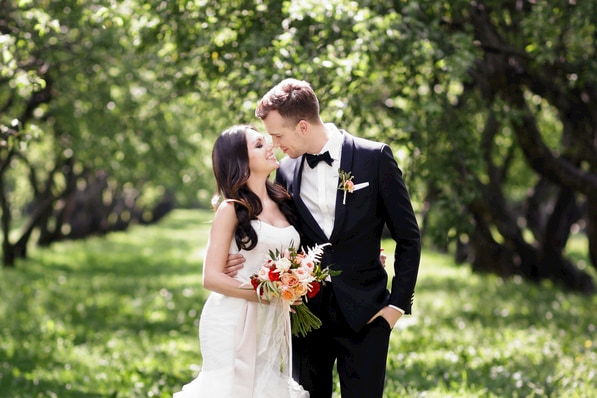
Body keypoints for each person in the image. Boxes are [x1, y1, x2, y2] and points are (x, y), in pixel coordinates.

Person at [226, 78, 421, 398]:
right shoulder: (286, 170)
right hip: (304, 318)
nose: (273, 144)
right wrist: (241, 259)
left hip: (367, 317)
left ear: (302, 126)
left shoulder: (375, 158)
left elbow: (409, 238)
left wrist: (395, 307)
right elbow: (280, 232)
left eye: (277, 135)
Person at [173, 125, 309, 398]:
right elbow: (210, 277)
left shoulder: (284, 200)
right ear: (241, 162)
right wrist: (268, 293)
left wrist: (295, 286)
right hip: (232, 319)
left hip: (269, 322)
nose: (270, 145)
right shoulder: (231, 209)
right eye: (259, 145)